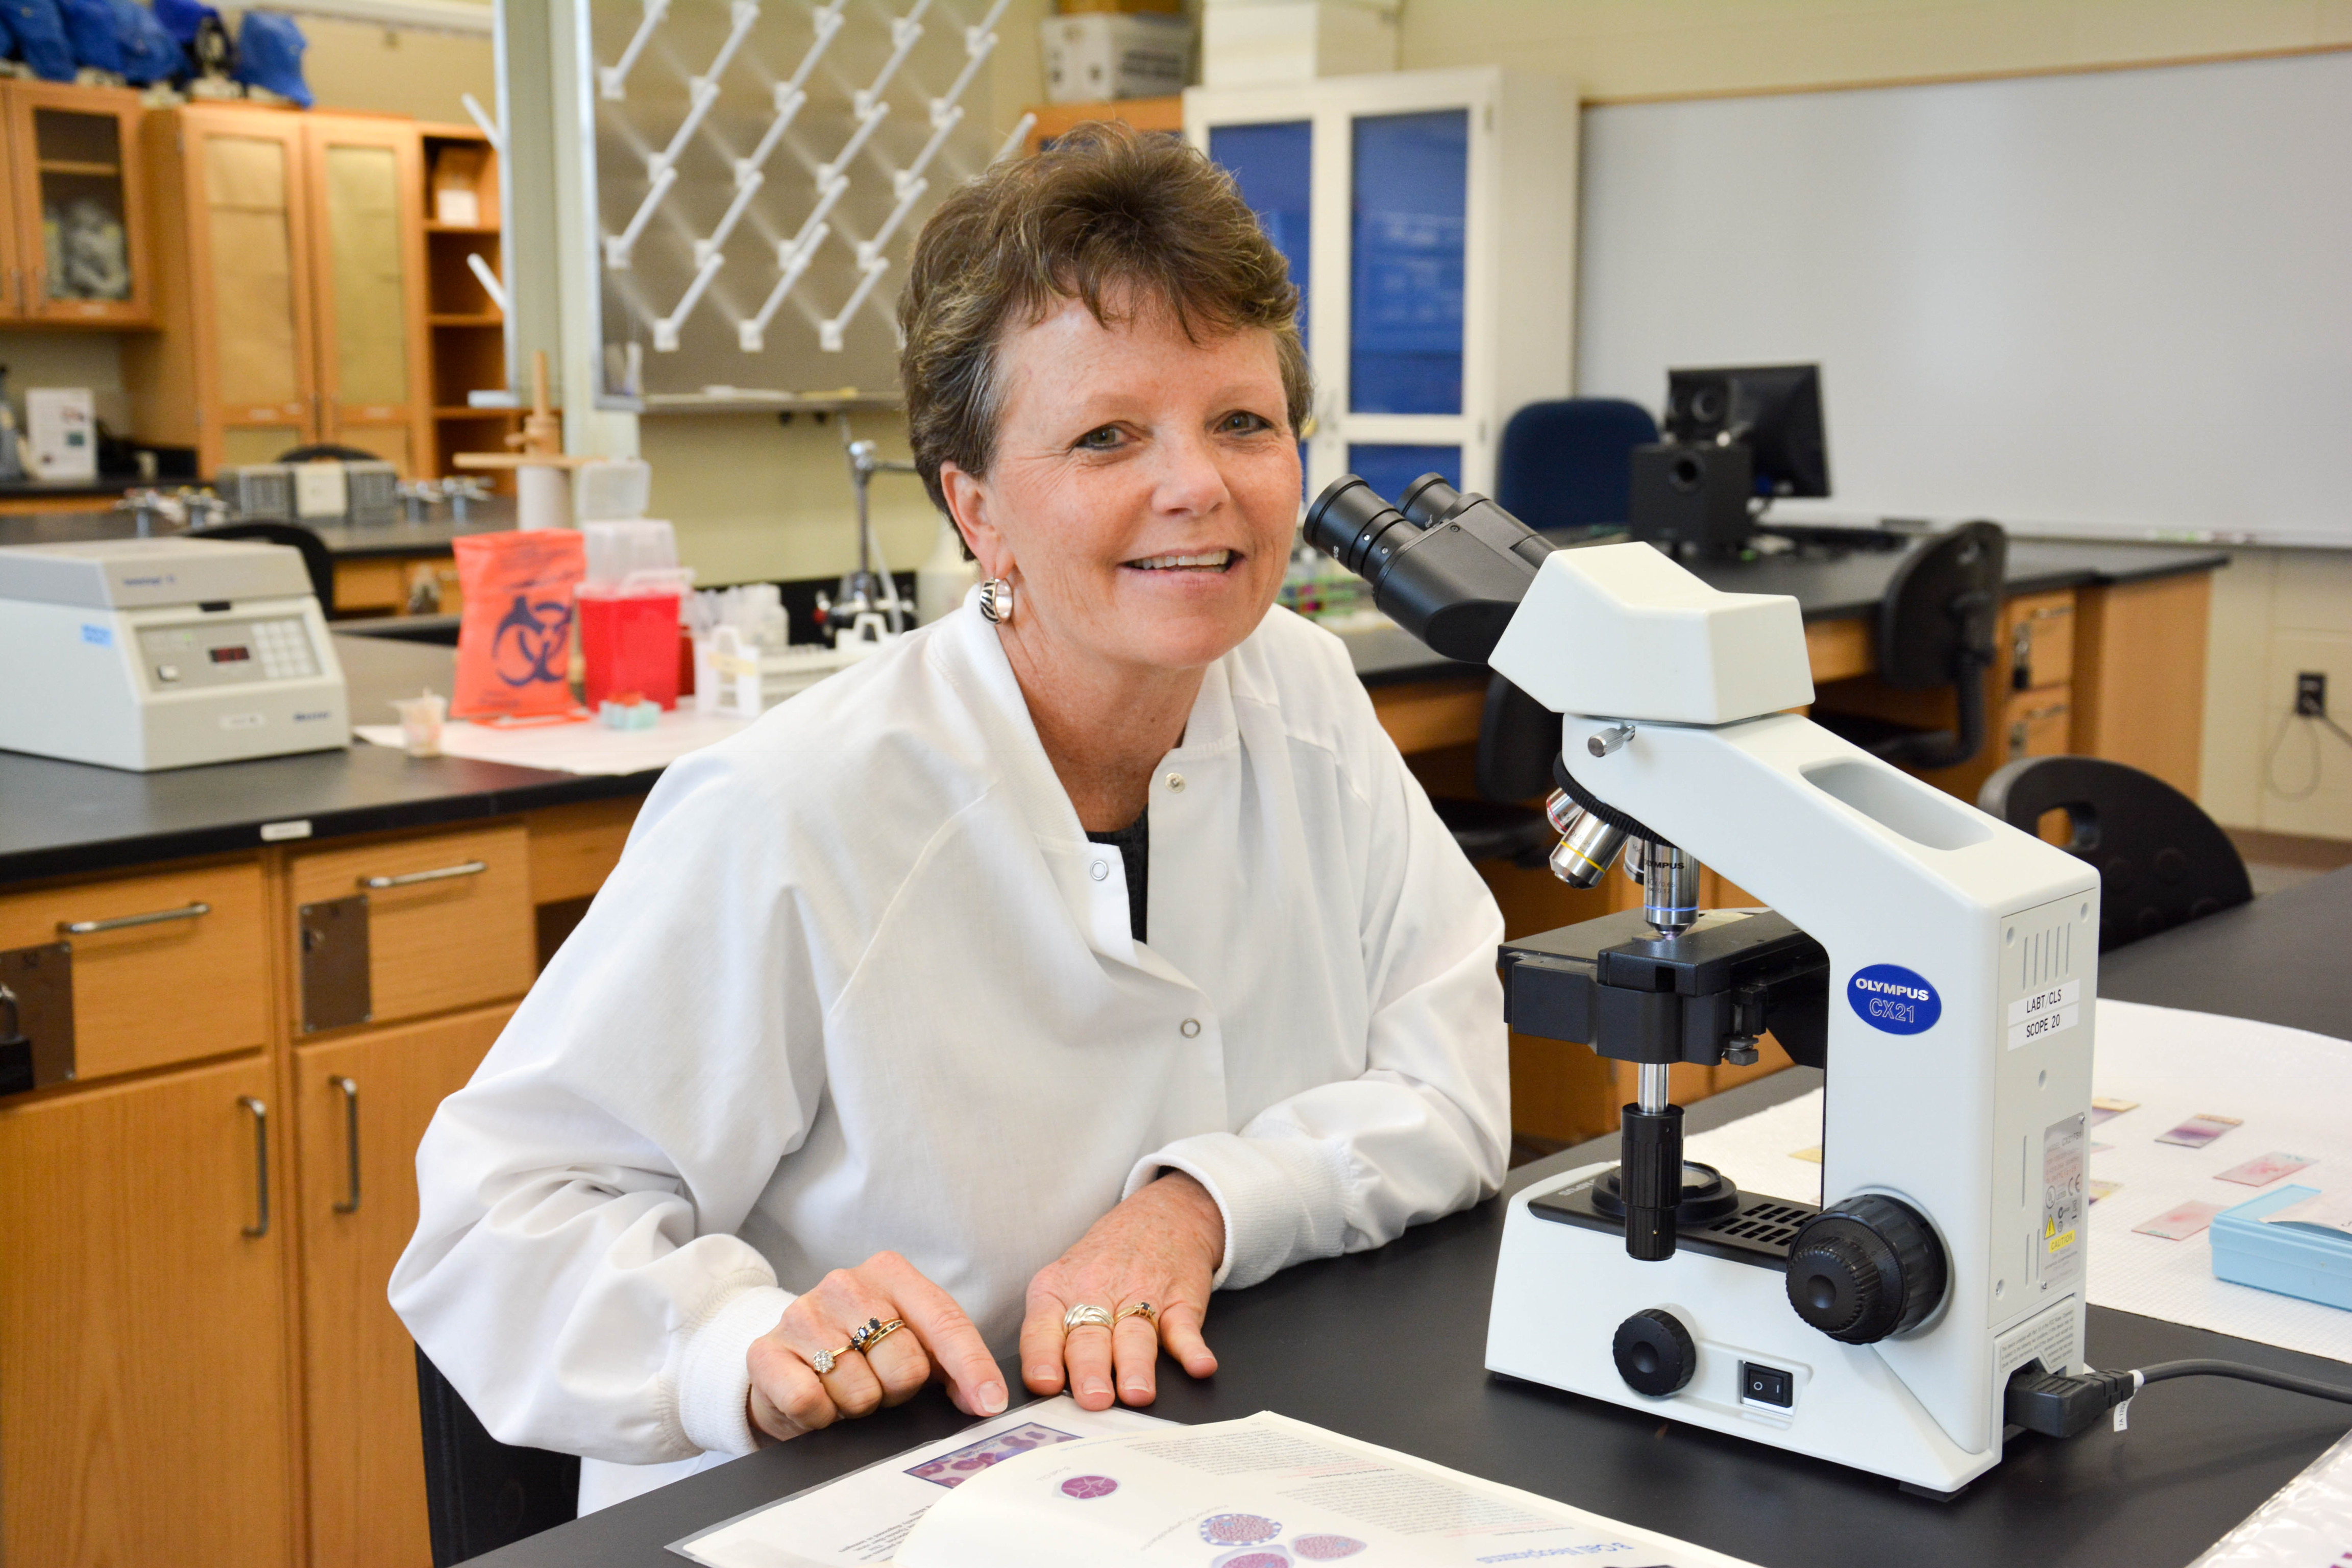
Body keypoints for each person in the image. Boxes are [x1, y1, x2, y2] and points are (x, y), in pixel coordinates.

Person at [390, 123, 1510, 1512]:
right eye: (1109, 435)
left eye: (1243, 422)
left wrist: (1202, 1204)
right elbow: (503, 1221)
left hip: (1181, 1458)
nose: (1200, 485)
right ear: (975, 510)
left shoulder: (1306, 692)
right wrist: (741, 1344)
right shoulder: (796, 807)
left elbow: (1451, 1092)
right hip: (843, 1502)